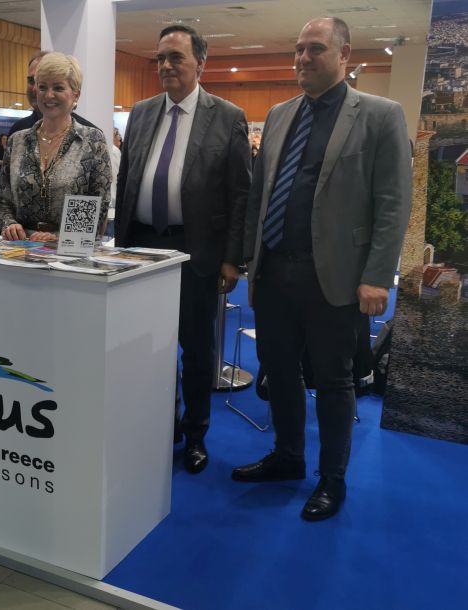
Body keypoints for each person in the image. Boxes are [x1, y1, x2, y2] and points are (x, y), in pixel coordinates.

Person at [232, 17, 412, 521]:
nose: (303, 58)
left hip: (335, 278)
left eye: (315, 49)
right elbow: (261, 196)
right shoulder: (279, 114)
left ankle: (332, 479)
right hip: (274, 272)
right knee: (279, 371)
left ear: (344, 55)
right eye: (298, 49)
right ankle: (288, 456)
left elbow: (393, 203)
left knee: (333, 381)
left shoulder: (380, 115)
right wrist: (252, 264)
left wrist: (377, 275)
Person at [114, 25, 251, 474]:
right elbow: (127, 179)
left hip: (196, 252)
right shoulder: (140, 113)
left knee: (195, 350)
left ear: (200, 63)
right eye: (160, 58)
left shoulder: (227, 116)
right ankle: (158, 424)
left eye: (176, 57)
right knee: (145, 345)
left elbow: (240, 195)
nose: (166, 66)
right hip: (141, 249)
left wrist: (232, 258)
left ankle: (195, 434)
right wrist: (120, 249)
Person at [0, 52, 111, 242]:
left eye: (58, 87)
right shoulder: (17, 141)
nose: (49, 95)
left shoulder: (92, 141)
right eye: (42, 87)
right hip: (21, 248)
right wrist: (9, 224)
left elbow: (99, 205)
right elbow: (2, 201)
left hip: (70, 249)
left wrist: (58, 238)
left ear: (76, 94)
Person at [7, 50, 97, 138]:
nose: (35, 89)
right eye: (32, 81)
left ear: (76, 95)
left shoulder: (91, 138)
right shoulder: (17, 134)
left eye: (58, 88)